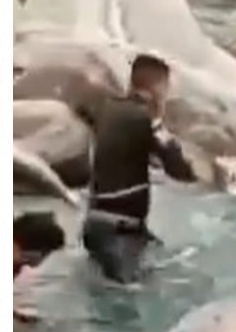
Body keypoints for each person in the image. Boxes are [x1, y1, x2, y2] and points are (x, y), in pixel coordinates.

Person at [81, 54, 197, 284]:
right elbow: (181, 172)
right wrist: (158, 124)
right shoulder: (144, 119)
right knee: (128, 300)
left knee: (160, 263)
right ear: (156, 90)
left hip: (96, 227)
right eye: (166, 89)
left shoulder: (109, 108)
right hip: (119, 234)